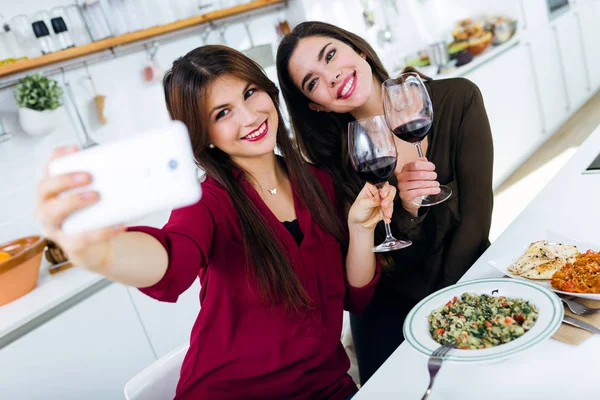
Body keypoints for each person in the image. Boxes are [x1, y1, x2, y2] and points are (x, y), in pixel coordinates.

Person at [34, 45, 398, 400]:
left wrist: (361, 230)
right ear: (202, 134)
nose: (249, 117)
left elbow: (355, 297)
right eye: (222, 113)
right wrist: (103, 253)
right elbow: (169, 261)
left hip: (327, 386)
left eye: (250, 93)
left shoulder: (319, 181)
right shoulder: (207, 203)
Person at [276, 21, 494, 384]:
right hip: (389, 308)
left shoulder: (457, 99)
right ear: (316, 106)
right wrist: (408, 213)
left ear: (358, 49)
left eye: (331, 55)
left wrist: (443, 310)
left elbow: (476, 219)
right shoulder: (332, 166)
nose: (331, 76)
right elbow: (383, 267)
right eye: (313, 82)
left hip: (464, 275)